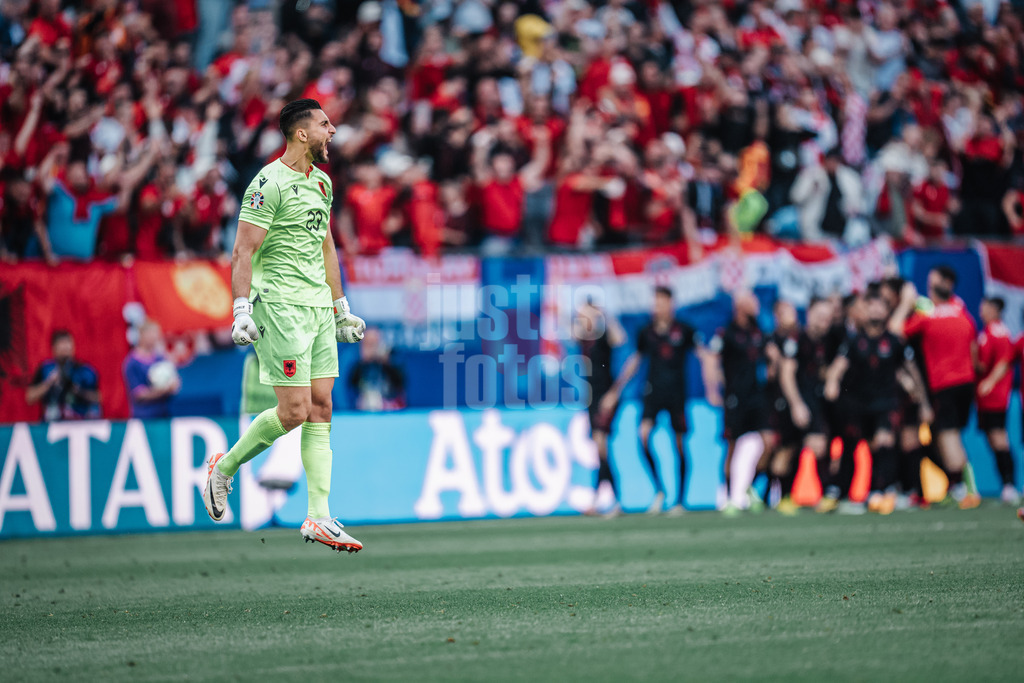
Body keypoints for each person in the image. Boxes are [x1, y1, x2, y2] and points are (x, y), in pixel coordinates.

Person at [203, 99, 367, 553]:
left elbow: (327, 248)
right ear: (300, 133)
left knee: (322, 407)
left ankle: (319, 516)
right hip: (279, 307)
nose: (332, 131)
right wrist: (240, 309)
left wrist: (340, 306)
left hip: (317, 309)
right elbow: (242, 251)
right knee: (294, 411)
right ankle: (225, 468)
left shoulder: (322, 183)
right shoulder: (266, 184)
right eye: (324, 124)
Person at [600, 286, 712, 516]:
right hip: (652, 392)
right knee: (643, 436)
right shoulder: (647, 332)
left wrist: (712, 385)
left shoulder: (685, 330)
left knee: (679, 445)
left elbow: (703, 355)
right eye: (655, 302)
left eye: (661, 302)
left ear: (671, 303)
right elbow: (636, 361)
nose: (657, 307)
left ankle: (679, 500)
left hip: (677, 395)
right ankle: (660, 489)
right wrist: (616, 390)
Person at [826, 289, 926, 515]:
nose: (876, 310)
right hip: (858, 404)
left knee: (884, 443)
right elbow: (838, 366)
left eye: (880, 306)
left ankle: (879, 492)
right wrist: (832, 382)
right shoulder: (854, 341)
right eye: (871, 306)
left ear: (887, 311)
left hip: (886, 403)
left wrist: (920, 395)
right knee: (855, 447)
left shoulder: (894, 341)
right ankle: (843, 495)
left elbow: (909, 370)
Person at [890, 266, 981, 509]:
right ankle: (962, 487)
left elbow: (894, 331)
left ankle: (964, 489)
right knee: (952, 435)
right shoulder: (962, 311)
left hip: (943, 383)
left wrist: (907, 302)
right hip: (967, 381)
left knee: (947, 435)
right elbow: (974, 351)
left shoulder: (927, 314)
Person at [706, 292, 777, 515]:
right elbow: (711, 360)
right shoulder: (726, 333)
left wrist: (773, 368)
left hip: (757, 397)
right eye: (751, 301)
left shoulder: (759, 332)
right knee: (732, 448)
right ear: (740, 305)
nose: (756, 304)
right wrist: (712, 389)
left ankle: (749, 487)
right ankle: (726, 496)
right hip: (735, 398)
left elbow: (772, 356)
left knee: (769, 442)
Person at [779, 298, 837, 516]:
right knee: (788, 449)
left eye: (828, 318)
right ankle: (784, 497)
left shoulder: (826, 341)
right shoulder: (796, 340)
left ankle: (823, 496)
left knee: (818, 444)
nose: (825, 322)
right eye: (821, 317)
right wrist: (796, 405)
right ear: (810, 314)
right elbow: (786, 374)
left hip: (815, 400)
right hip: (794, 400)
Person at [575, 301, 626, 518]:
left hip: (606, 396)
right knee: (600, 450)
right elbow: (572, 332)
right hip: (591, 397)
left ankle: (610, 499)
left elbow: (620, 338)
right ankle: (608, 500)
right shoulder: (584, 339)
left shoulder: (604, 336)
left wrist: (605, 315)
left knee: (601, 445)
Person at [974, 297, 1021, 505]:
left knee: (999, 439)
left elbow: (990, 365)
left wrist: (989, 380)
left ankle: (1009, 485)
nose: (981, 311)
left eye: (984, 307)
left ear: (994, 309)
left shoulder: (992, 334)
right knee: (996, 440)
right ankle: (1008, 485)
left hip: (994, 397)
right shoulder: (1004, 334)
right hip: (994, 396)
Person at [25, 329, 100, 421]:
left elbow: (99, 398)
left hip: (80, 423)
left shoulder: (84, 371)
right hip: (51, 423)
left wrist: (78, 391)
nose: (65, 349)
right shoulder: (45, 369)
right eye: (61, 347)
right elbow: (29, 397)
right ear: (54, 349)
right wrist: (49, 383)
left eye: (67, 346)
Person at [123, 320, 180, 419]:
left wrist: (174, 385)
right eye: (151, 334)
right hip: (144, 417)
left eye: (156, 334)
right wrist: (163, 391)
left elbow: (174, 382)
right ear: (142, 335)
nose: (154, 338)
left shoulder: (161, 358)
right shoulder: (132, 363)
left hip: (164, 414)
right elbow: (139, 394)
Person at [348, 327, 406, 412]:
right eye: (369, 344)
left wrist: (386, 362)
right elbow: (351, 384)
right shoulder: (357, 363)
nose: (373, 348)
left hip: (390, 406)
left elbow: (400, 382)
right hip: (366, 406)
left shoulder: (392, 360)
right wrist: (364, 362)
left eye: (375, 343)